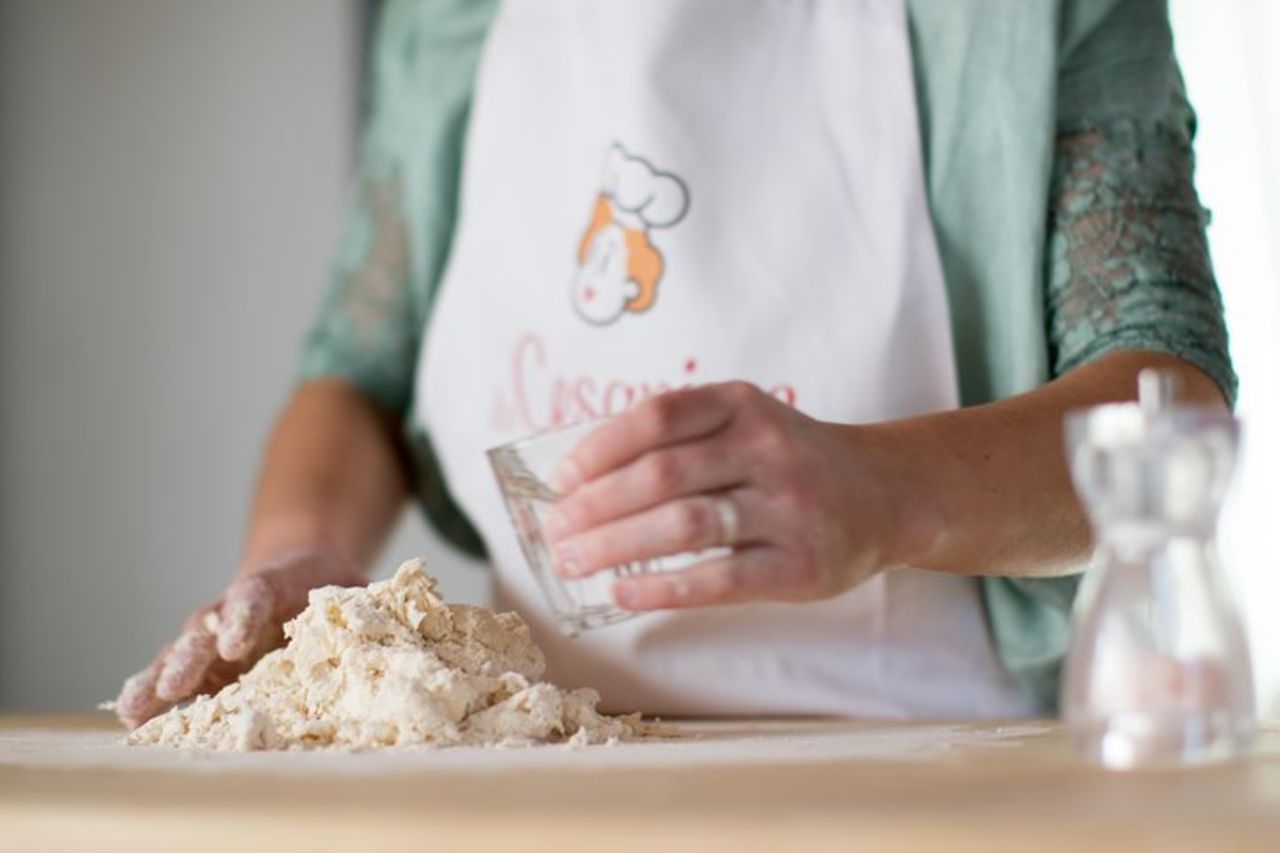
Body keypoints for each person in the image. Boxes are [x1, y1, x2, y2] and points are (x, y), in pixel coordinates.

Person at [115, 0, 1235, 726]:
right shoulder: (448, 22)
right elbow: (360, 368)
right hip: (537, 774)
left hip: (923, 776)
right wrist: (300, 567)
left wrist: (893, 492)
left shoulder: (1032, 22)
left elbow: (1169, 397)